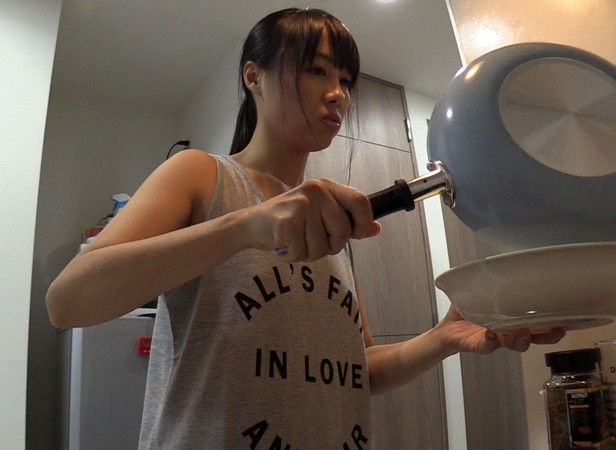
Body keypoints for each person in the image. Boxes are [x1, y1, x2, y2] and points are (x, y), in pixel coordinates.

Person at [46, 7, 565, 449]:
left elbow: (358, 367)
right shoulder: (201, 175)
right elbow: (67, 302)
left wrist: (444, 338)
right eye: (317, 71)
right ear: (254, 77)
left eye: (345, 80)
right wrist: (245, 227)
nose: (338, 94)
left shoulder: (326, 223)